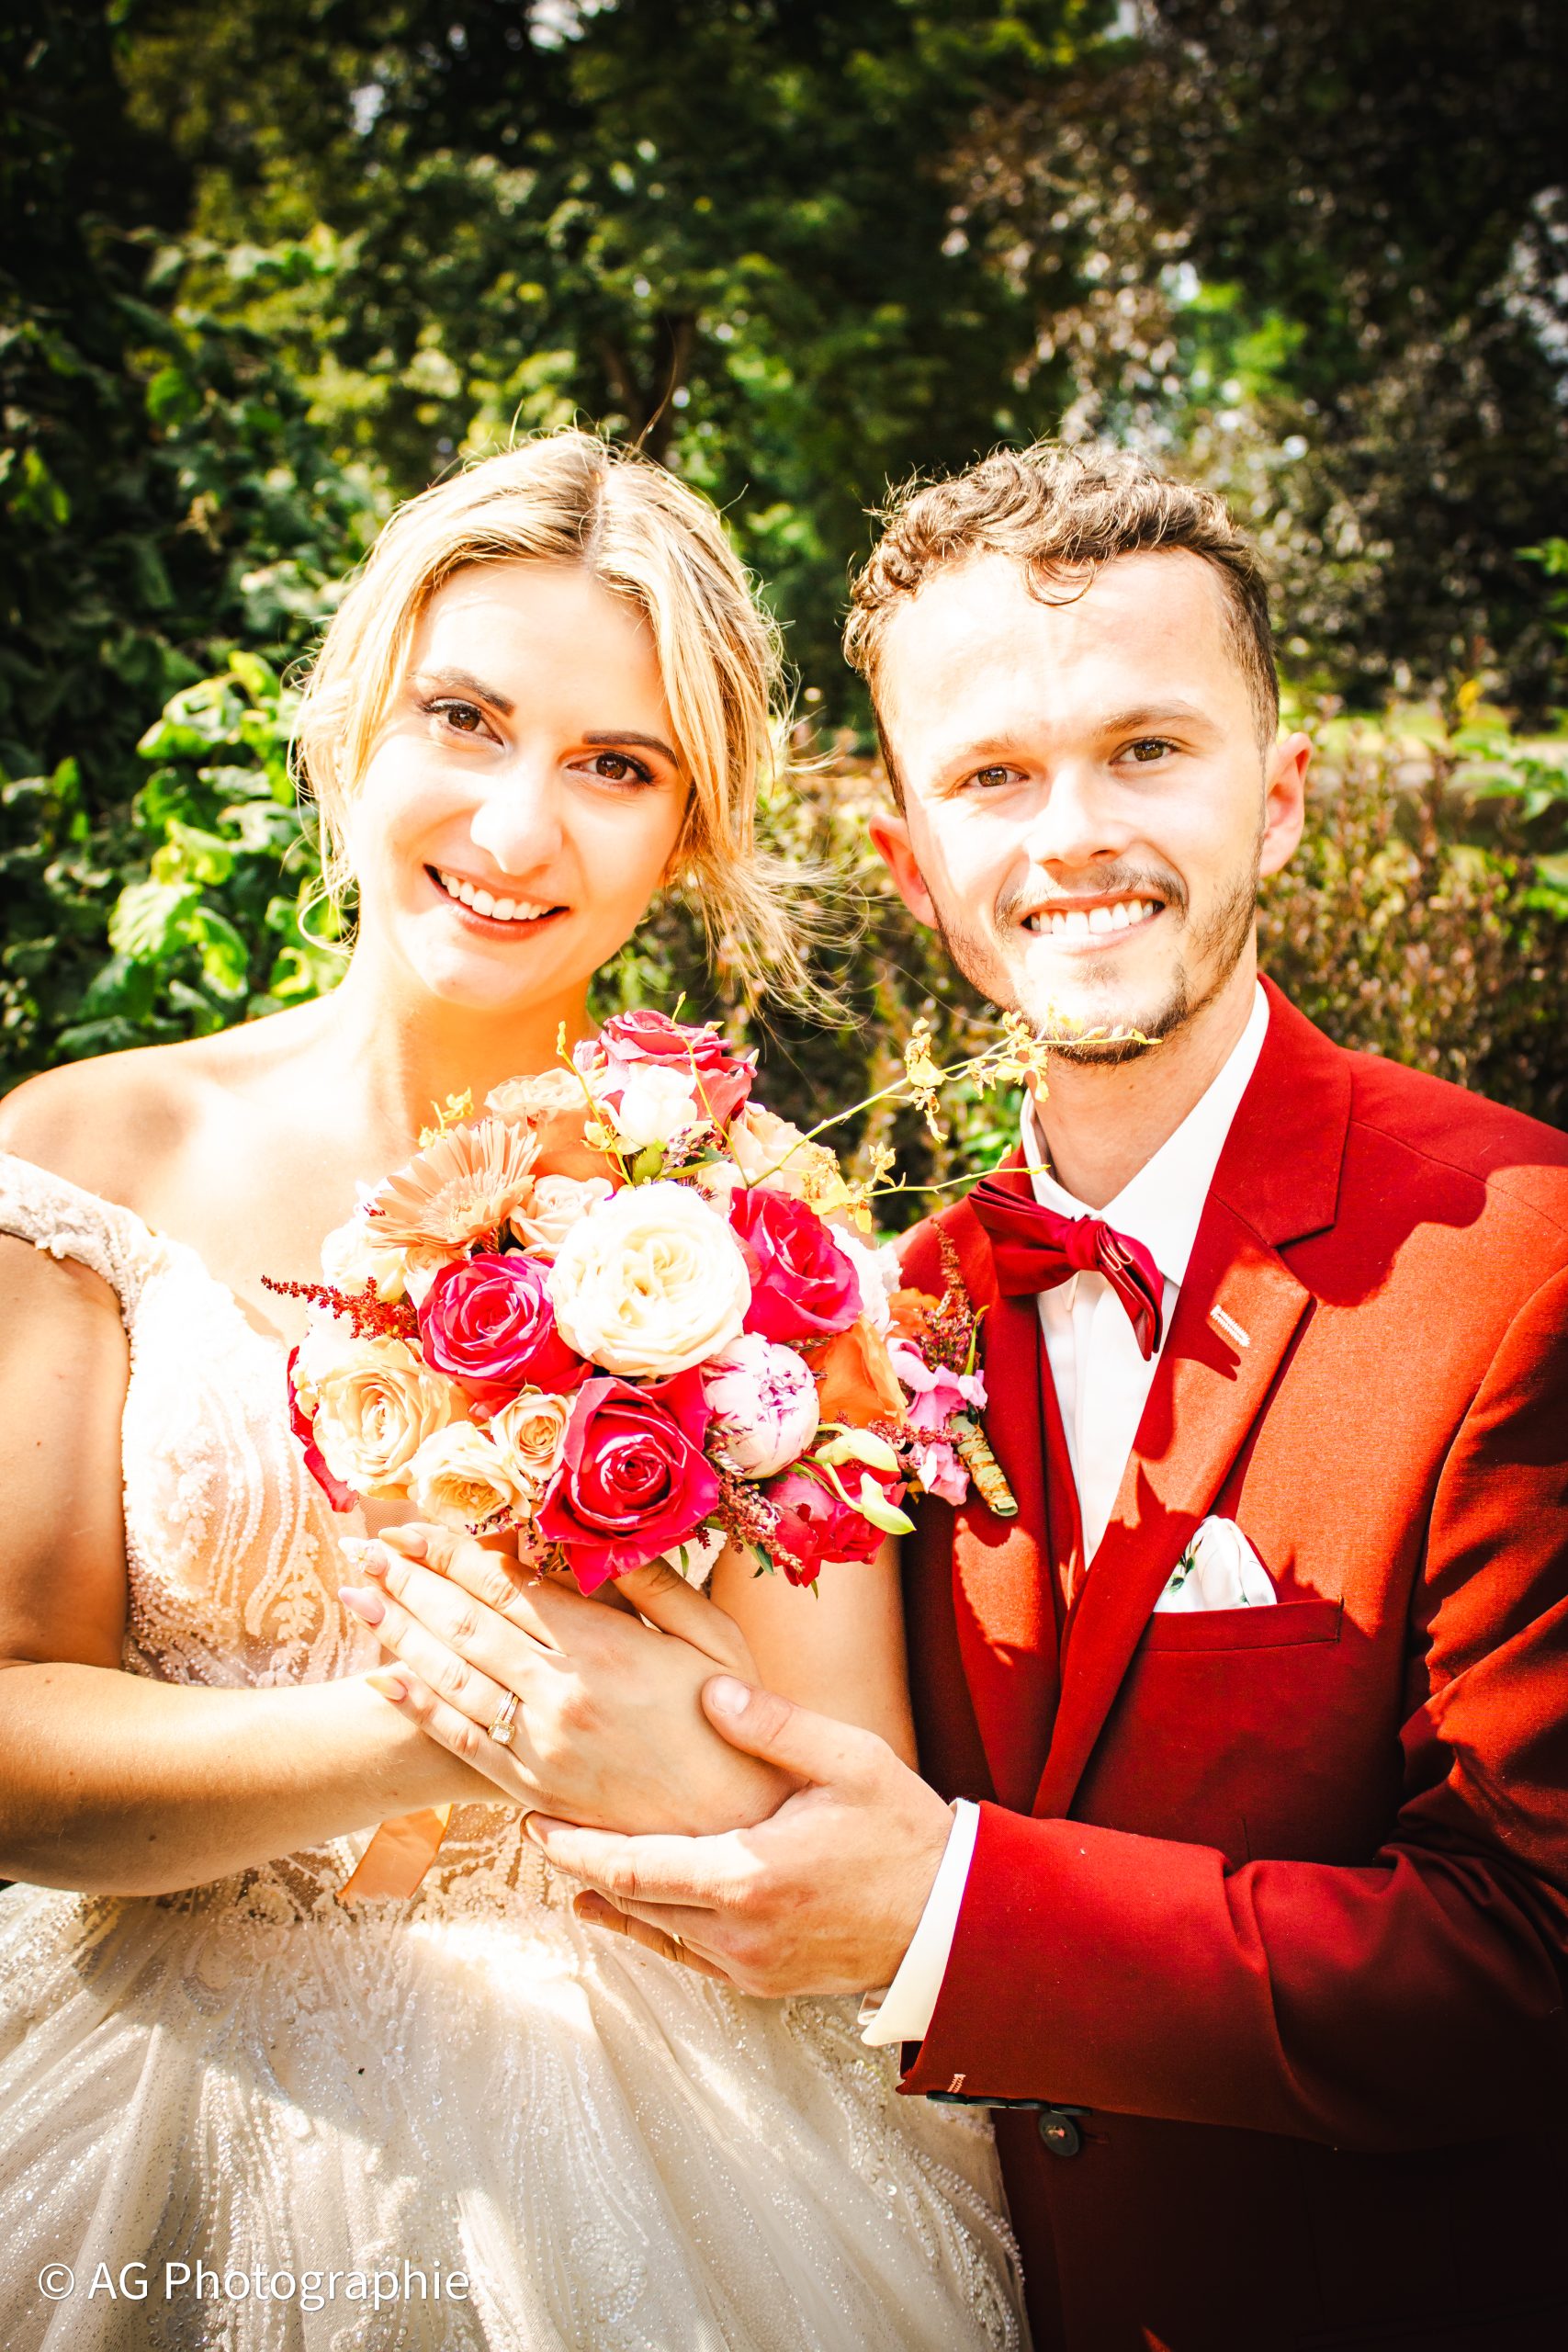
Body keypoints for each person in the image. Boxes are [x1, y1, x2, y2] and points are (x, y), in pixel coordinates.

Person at [365, 445, 1568, 2351]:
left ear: (1276, 798)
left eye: (1145, 751)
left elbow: (1534, 1960)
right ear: (910, 862)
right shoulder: (861, 1322)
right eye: (993, 777)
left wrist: (949, 1915)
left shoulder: (1523, 1259)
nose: (1070, 835)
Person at [0, 430, 1026, 2351]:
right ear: (355, 720)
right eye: (462, 718)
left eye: (615, 765)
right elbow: (12, 1747)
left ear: (690, 831)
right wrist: (444, 1722)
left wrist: (619, 1739)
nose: (513, 827)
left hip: (661, 2124)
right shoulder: (80, 1159)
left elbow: (835, 1779)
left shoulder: (764, 1229)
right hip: (141, 2088)